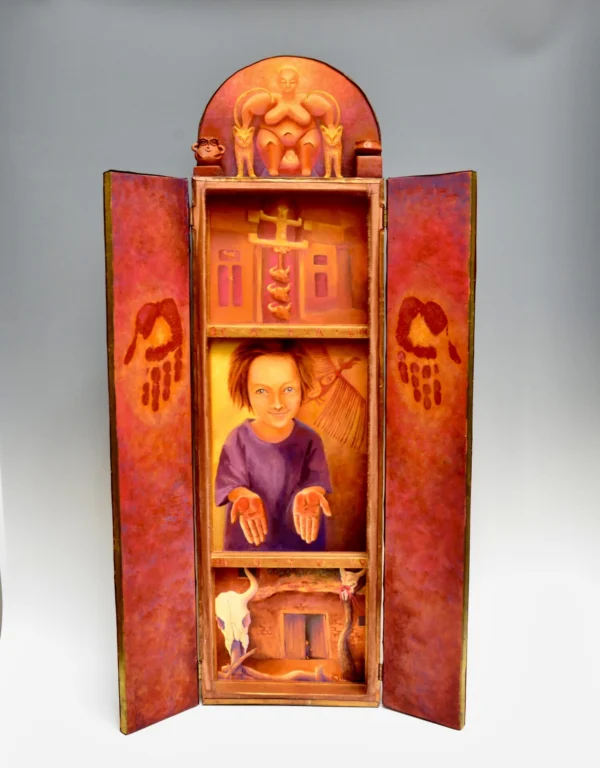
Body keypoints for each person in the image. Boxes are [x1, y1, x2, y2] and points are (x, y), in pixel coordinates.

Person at [215, 339, 332, 551]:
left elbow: (317, 481)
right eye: (262, 391)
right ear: (245, 391)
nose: (277, 403)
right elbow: (229, 484)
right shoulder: (237, 439)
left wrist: (312, 493)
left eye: (288, 389)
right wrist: (243, 496)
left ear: (302, 388)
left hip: (300, 547)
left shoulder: (310, 439)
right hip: (249, 548)